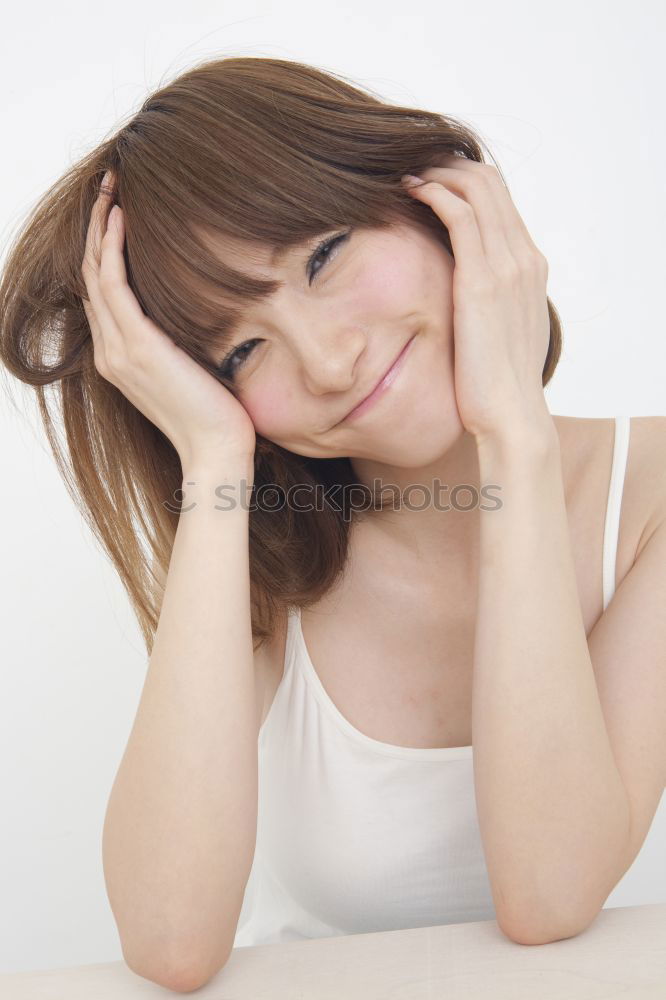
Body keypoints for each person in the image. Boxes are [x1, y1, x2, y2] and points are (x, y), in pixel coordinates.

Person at [1, 56, 664, 994]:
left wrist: (516, 436)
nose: (331, 360)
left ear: (434, 199)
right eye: (241, 349)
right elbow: (169, 943)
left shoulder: (654, 497)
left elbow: (550, 892)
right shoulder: (270, 551)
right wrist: (217, 464)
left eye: (322, 257)